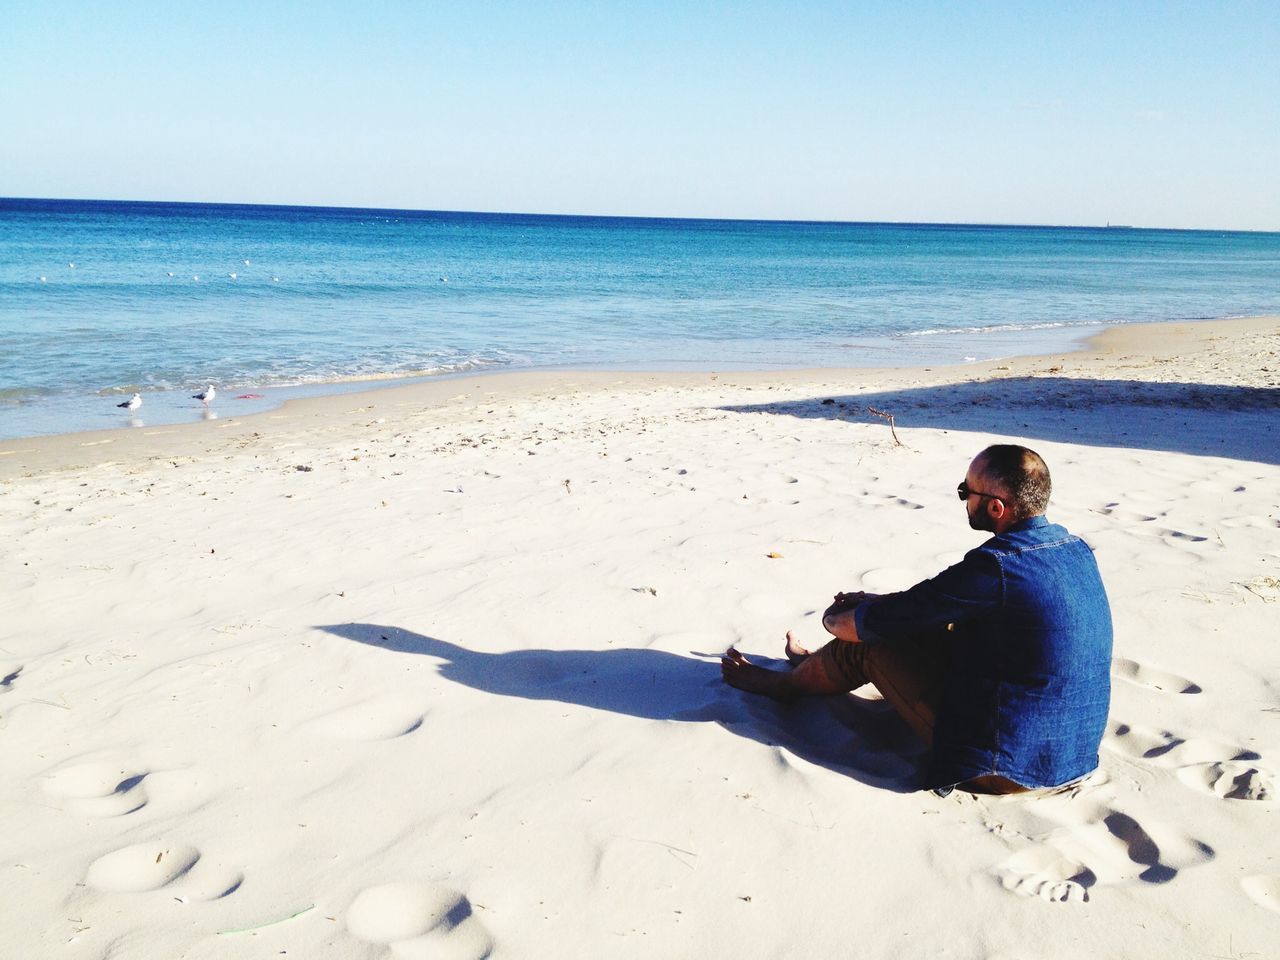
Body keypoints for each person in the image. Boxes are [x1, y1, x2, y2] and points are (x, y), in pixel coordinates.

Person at [721, 444, 1113, 795]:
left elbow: (861, 627)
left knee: (869, 642)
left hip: (1005, 768)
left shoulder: (995, 567)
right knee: (919, 622)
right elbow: (934, 606)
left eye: (966, 491)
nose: (963, 498)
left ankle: (785, 685)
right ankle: (812, 666)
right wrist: (880, 605)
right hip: (1072, 754)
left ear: (996, 507)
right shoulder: (1074, 548)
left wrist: (838, 616)